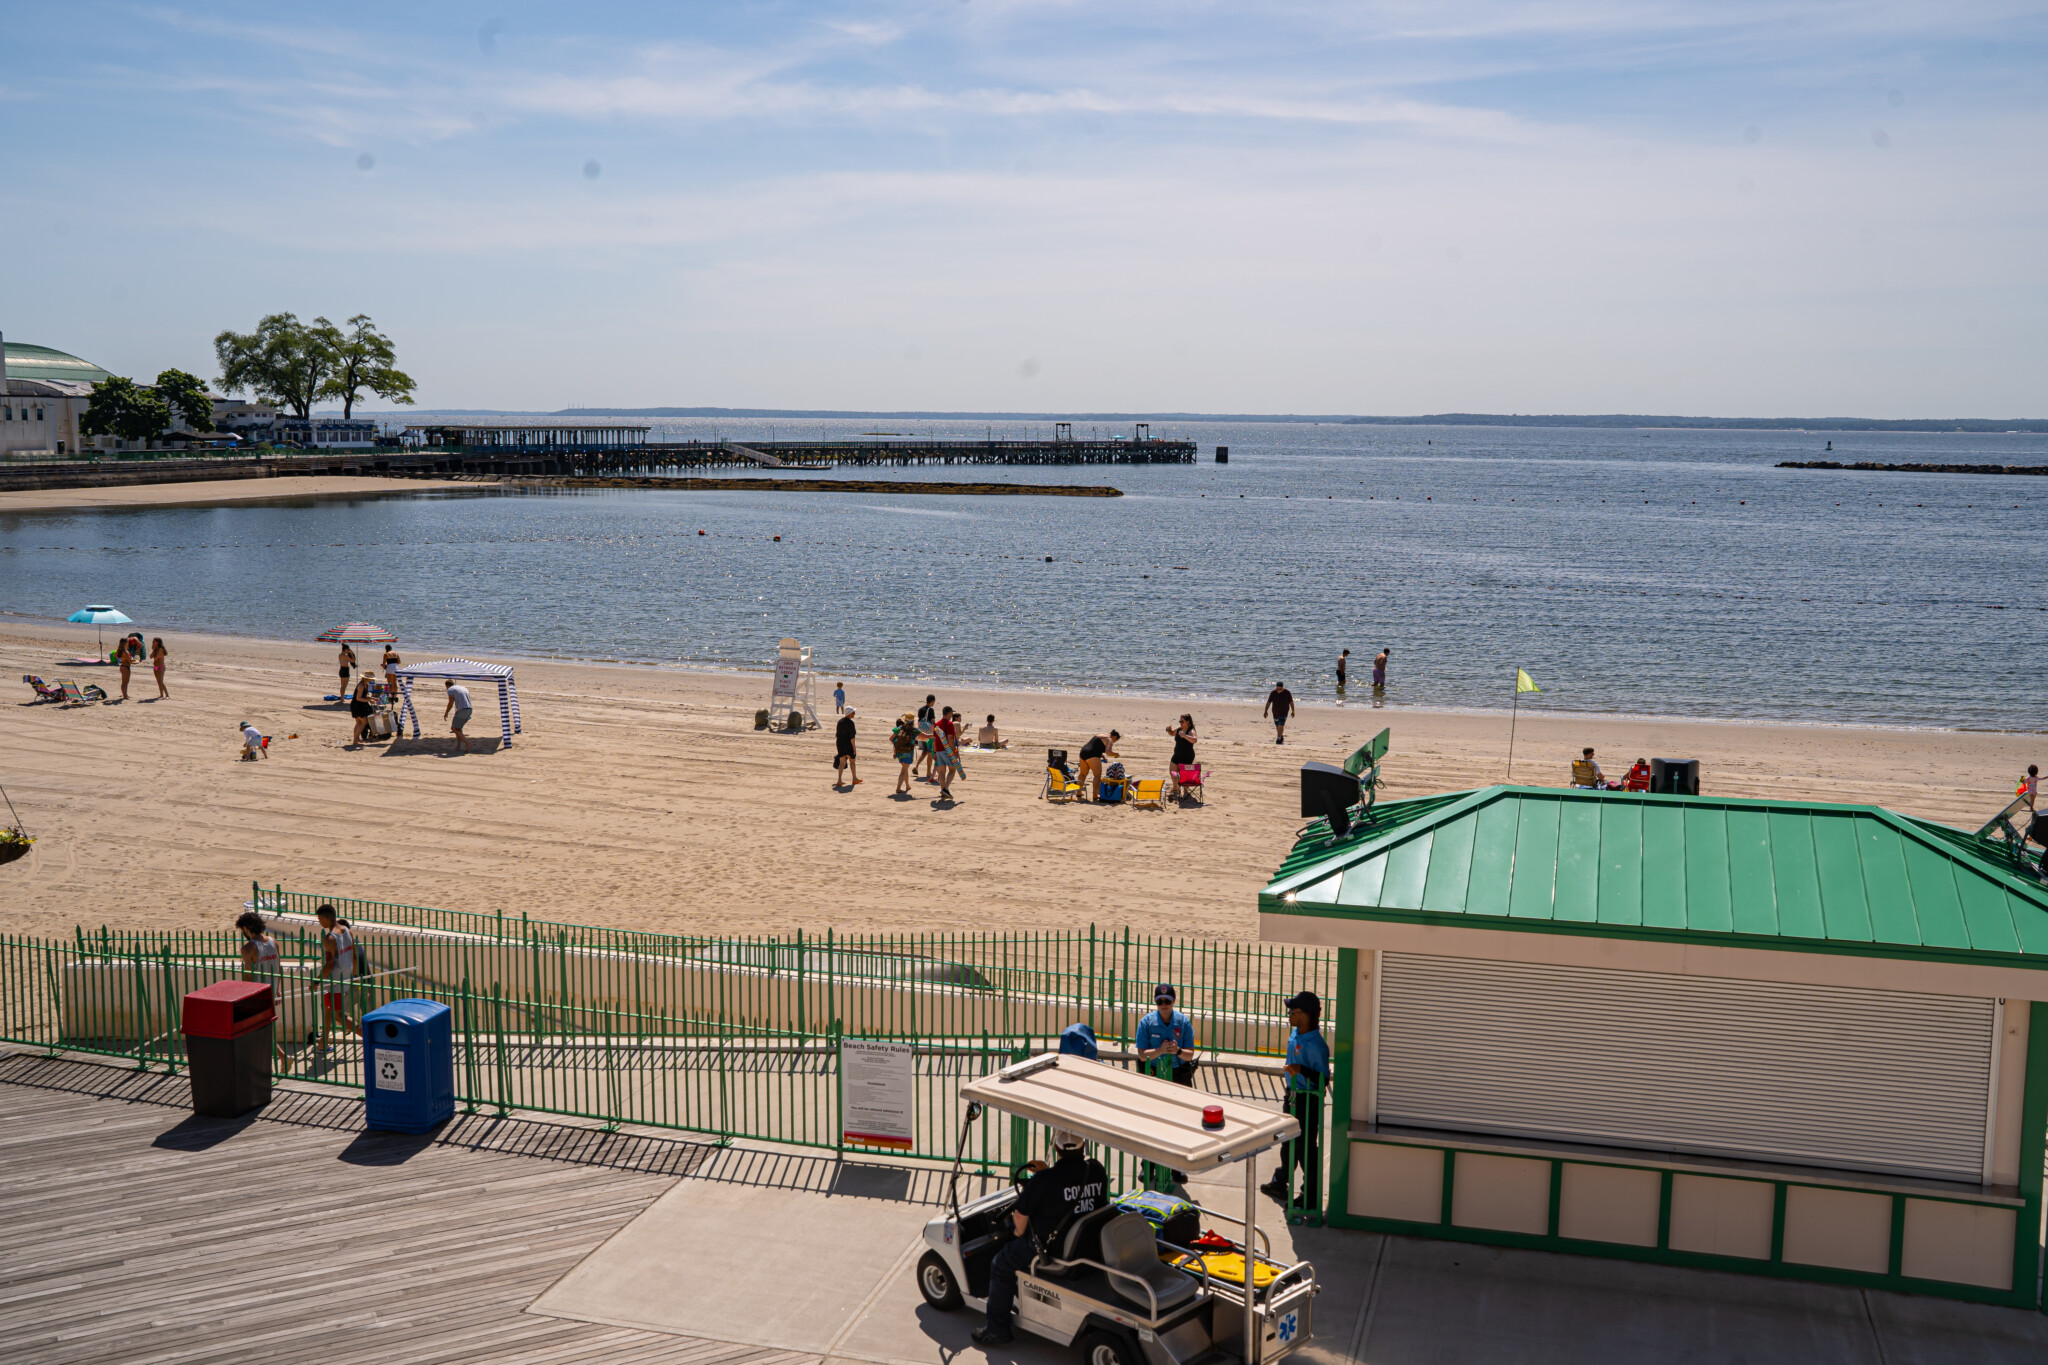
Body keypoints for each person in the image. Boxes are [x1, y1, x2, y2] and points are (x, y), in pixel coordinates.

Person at [973, 1128, 1107, 1347]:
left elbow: (1020, 1217)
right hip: (1088, 1245)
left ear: (1056, 1148)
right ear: (1084, 1147)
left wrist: (1016, 1234)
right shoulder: (1096, 1171)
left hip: (1055, 1251)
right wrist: (1047, 1173)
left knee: (1001, 1262)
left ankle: (996, 1330)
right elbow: (1071, 1185)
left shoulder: (1044, 1180)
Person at [1262, 991, 1327, 1209]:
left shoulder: (1317, 1046)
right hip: (1291, 1096)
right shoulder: (1296, 1033)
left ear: (1306, 1015)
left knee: (1305, 1149)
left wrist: (1301, 1069)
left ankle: (1309, 1196)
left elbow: (1323, 1079)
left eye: (1294, 1011)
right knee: (1287, 1143)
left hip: (1307, 1101)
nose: (1289, 1014)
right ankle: (1280, 1182)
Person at [235, 911, 291, 1062]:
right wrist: (277, 990)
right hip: (270, 991)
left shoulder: (248, 948)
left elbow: (248, 976)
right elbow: (278, 968)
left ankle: (280, 1058)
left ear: (245, 928)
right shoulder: (274, 942)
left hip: (256, 994)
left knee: (259, 1029)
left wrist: (246, 997)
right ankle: (283, 1057)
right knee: (263, 1028)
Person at [314, 903, 358, 1051]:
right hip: (345, 977)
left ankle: (368, 1037)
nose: (319, 922)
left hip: (333, 983)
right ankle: (323, 1044)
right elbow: (354, 957)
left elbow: (329, 964)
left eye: (320, 919)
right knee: (327, 1009)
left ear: (326, 919)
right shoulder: (347, 931)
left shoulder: (329, 939)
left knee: (339, 1016)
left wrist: (317, 980)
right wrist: (354, 976)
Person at [1135, 983, 1198, 1086]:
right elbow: (1142, 1055)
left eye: (1167, 1001)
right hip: (1152, 1070)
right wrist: (1161, 1050)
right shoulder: (1146, 1022)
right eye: (1160, 1001)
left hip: (1178, 1071)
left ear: (1173, 1001)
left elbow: (1189, 1056)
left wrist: (1178, 1051)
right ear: (1155, 1002)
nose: (1164, 1005)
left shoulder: (1183, 1022)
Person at [1076, 730, 1119, 798]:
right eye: (1115, 741)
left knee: (1082, 774)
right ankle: (1095, 795)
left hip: (1083, 752)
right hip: (1092, 755)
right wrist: (1116, 754)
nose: (1113, 742)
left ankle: (1078, 792)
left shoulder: (1100, 734)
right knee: (1097, 776)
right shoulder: (1109, 739)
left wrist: (1101, 755)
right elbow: (1108, 752)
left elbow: (1094, 746)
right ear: (1115, 737)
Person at [1166, 715, 1197, 796]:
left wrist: (1185, 736)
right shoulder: (1179, 729)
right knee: (1172, 772)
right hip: (1176, 755)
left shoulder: (1191, 730)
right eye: (1179, 721)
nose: (1180, 723)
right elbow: (1172, 733)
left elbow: (1194, 740)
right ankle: (1175, 788)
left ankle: (1186, 791)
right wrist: (1168, 730)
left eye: (1182, 721)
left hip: (1187, 756)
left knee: (1185, 775)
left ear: (1188, 722)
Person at [932, 719, 959, 799]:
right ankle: (945, 788)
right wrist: (954, 751)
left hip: (939, 751)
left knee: (942, 772)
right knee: (952, 769)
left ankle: (943, 792)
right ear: (950, 714)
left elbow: (934, 740)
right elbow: (950, 738)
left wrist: (935, 752)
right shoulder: (949, 723)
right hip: (947, 751)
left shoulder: (937, 724)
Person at [834, 707, 861, 787]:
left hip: (840, 743)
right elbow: (852, 737)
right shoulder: (851, 723)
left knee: (842, 762)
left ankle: (839, 780)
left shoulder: (840, 722)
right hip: (848, 744)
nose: (854, 714)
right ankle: (854, 779)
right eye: (853, 712)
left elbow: (837, 734)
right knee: (852, 761)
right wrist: (854, 748)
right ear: (849, 713)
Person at [444, 679, 473, 754]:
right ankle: (458, 746)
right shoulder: (463, 688)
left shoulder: (450, 689)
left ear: (447, 685)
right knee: (458, 728)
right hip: (469, 709)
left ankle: (468, 743)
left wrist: (446, 712)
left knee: (453, 728)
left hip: (462, 710)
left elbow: (450, 703)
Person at [892, 713, 918, 794]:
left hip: (899, 751)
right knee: (903, 770)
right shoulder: (914, 730)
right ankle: (898, 788)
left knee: (905, 769)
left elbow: (891, 739)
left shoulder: (899, 728)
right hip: (908, 752)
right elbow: (925, 737)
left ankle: (907, 785)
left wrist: (897, 745)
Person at [348, 674, 376, 747]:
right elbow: (358, 698)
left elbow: (364, 696)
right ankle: (355, 739)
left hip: (360, 705)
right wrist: (369, 700)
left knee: (358, 723)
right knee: (363, 721)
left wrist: (371, 699)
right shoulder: (361, 686)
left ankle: (356, 739)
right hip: (357, 705)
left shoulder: (366, 684)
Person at [116, 634, 134, 701]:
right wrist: (132, 659)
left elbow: (116, 655)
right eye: (127, 642)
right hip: (126, 667)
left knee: (125, 682)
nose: (128, 643)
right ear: (125, 643)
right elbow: (129, 660)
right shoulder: (125, 651)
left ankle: (125, 695)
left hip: (123, 666)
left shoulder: (121, 650)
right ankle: (125, 695)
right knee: (125, 682)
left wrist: (130, 658)